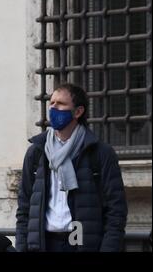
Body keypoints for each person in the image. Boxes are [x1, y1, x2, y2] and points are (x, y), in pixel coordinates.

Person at [16, 83, 128, 252]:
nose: (53, 108)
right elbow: (24, 207)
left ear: (78, 112)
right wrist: (22, 247)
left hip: (82, 243)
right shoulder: (37, 152)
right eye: (52, 103)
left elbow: (116, 210)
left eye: (60, 104)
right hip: (44, 243)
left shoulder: (99, 153)